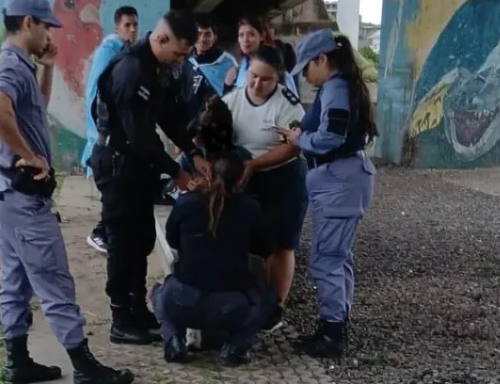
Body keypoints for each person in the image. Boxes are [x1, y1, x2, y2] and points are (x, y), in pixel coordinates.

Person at [0, 0, 134, 384]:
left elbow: (34, 105)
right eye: (46, 26)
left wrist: (48, 68)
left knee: (15, 281)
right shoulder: (9, 66)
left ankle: (18, 362)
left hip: (7, 194)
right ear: (28, 23)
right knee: (54, 281)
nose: (50, 34)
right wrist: (29, 155)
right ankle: (84, 367)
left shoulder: (21, 65)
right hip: (22, 197)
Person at [89, 10, 210, 345]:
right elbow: (141, 136)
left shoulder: (159, 67)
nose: (181, 60)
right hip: (117, 164)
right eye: (179, 53)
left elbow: (169, 117)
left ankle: (138, 308)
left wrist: (193, 152)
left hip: (137, 165)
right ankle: (120, 319)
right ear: (161, 39)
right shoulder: (131, 70)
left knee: (141, 238)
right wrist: (178, 172)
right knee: (121, 242)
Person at [276, 29, 378, 359]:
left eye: (307, 67)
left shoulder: (336, 88)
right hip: (344, 180)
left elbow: (331, 136)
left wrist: (298, 140)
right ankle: (335, 325)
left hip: (339, 182)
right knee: (338, 257)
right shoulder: (343, 85)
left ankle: (333, 335)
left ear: (322, 59)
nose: (305, 76)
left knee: (327, 260)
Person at [151, 154, 278, 366]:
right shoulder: (249, 207)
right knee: (269, 297)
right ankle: (236, 346)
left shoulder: (186, 201)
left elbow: (173, 240)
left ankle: (173, 339)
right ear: (241, 179)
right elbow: (265, 248)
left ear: (208, 174)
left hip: (182, 300)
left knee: (157, 293)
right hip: (231, 306)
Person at [223, 45, 308, 333]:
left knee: (282, 244)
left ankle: (275, 307)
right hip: (245, 177)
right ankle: (244, 299)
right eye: (253, 76)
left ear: (279, 78)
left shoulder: (288, 105)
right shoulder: (232, 100)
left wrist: (255, 164)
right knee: (245, 240)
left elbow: (293, 147)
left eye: (266, 79)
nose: (257, 84)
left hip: (282, 177)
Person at [81, 6, 139, 255]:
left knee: (119, 191)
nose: (132, 30)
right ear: (117, 28)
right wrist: (100, 131)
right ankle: (100, 233)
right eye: (127, 25)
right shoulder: (109, 52)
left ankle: (110, 233)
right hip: (105, 137)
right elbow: (97, 94)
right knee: (113, 192)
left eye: (135, 25)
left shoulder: (125, 52)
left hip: (116, 137)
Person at [234, 16, 299, 98]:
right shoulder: (243, 66)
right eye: (241, 35)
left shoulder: (275, 66)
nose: (245, 40)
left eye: (251, 34)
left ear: (262, 36)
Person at [191, 14, 239, 96]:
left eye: (207, 34)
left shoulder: (228, 62)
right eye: (198, 34)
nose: (202, 39)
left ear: (215, 37)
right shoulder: (185, 61)